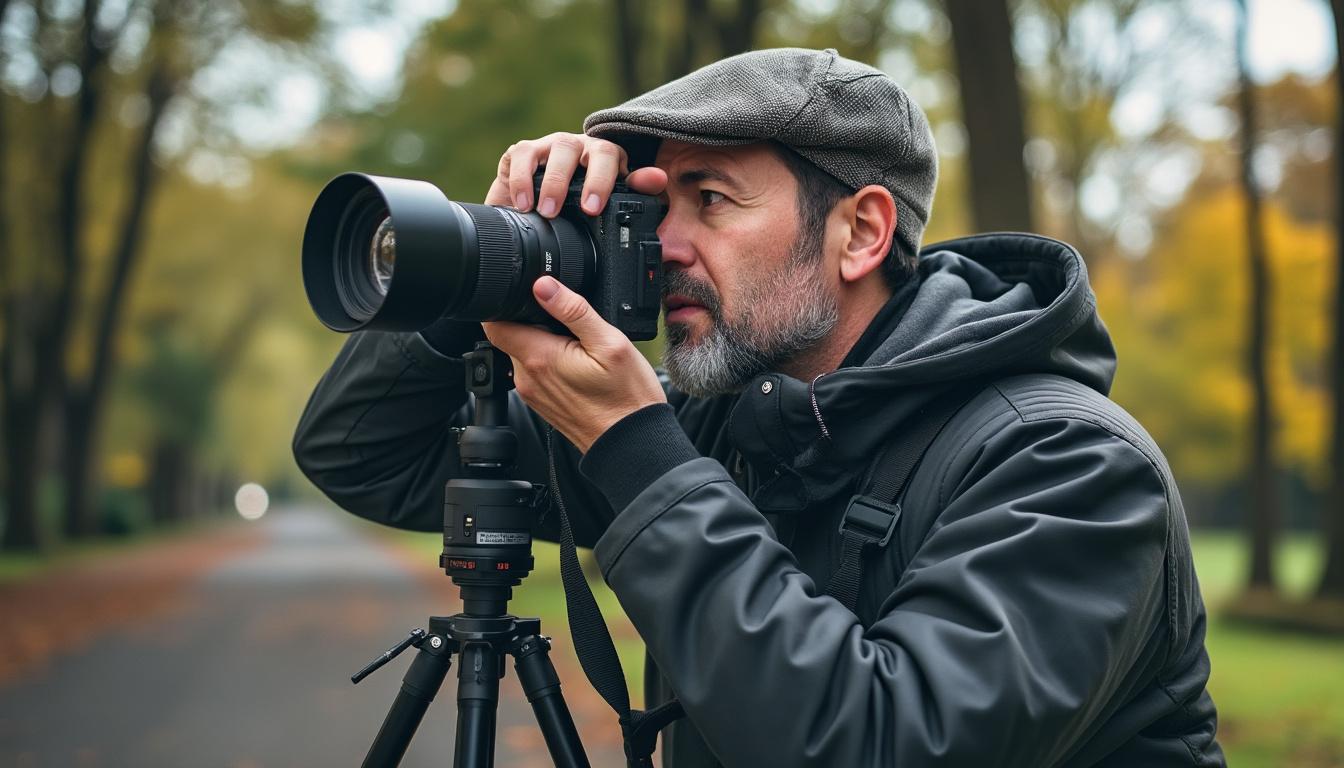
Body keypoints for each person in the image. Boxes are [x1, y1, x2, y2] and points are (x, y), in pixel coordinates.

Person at [293, 48, 1225, 766]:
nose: (664, 248)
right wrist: (483, 279)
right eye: (653, 208)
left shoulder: (1067, 461)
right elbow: (362, 451)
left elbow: (884, 744)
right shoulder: (720, 429)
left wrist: (639, 455)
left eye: (710, 199)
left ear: (861, 232)